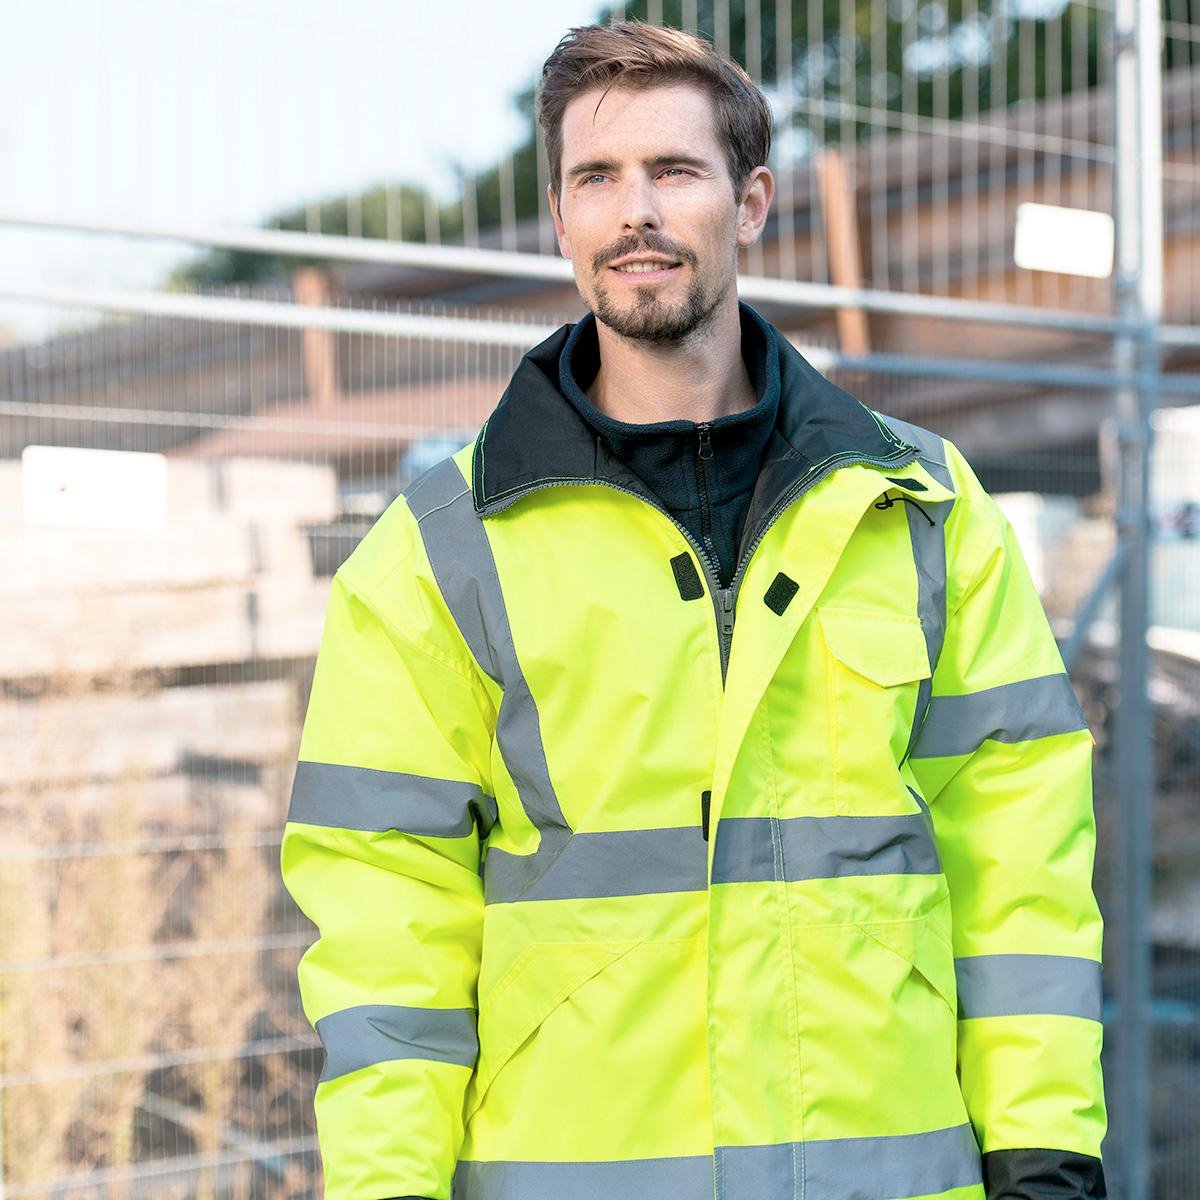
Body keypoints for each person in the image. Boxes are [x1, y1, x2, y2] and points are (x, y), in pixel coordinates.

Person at [281, 20, 1107, 1200]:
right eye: (596, 178)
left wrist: (1045, 1151)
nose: (636, 213)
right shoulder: (437, 553)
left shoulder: (923, 507)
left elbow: (1020, 865)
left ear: (751, 201)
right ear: (559, 217)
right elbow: (387, 919)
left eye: (674, 171)